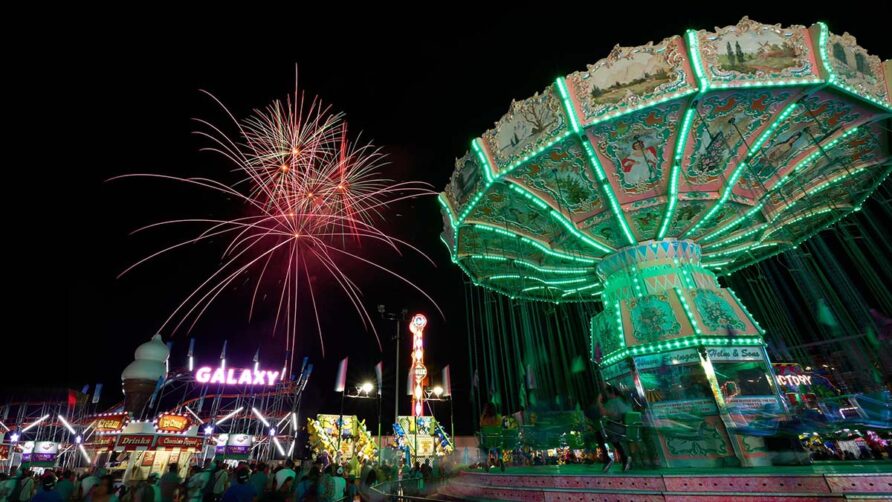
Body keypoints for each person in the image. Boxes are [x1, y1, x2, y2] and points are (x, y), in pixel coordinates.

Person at [598, 384, 633, 472]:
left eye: (606, 393)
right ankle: (624, 457)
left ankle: (609, 458)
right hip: (627, 427)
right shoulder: (624, 400)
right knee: (611, 437)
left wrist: (598, 402)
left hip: (617, 428)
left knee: (599, 434)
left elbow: (604, 413)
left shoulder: (613, 402)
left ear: (611, 393)